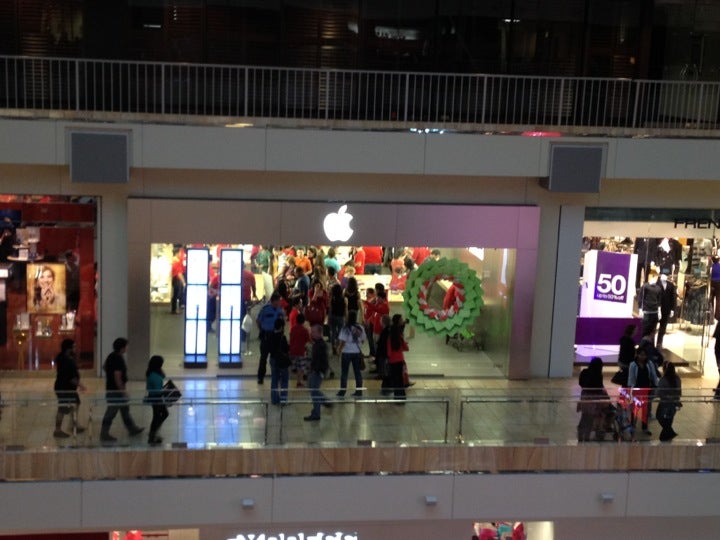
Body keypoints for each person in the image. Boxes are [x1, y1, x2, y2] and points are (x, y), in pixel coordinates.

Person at [100, 337, 144, 443]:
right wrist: (122, 391)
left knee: (125, 410)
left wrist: (109, 375)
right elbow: (117, 376)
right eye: (126, 346)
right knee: (111, 412)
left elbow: (105, 367)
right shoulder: (118, 358)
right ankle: (104, 433)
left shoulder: (111, 356)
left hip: (111, 388)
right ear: (122, 347)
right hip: (116, 391)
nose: (127, 348)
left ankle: (132, 428)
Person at [53, 338, 86, 438]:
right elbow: (71, 377)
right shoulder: (68, 361)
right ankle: (58, 430)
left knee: (75, 403)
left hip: (63, 387)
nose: (75, 348)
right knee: (63, 408)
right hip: (65, 388)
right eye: (74, 347)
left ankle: (73, 424)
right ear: (69, 348)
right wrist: (81, 386)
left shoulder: (61, 357)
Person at [576, 357, 611, 442]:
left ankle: (581, 436)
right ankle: (586, 437)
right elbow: (599, 387)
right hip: (594, 398)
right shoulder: (598, 375)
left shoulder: (584, 372)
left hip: (585, 397)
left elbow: (581, 383)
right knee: (590, 418)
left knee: (584, 416)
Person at [627, 348, 659, 435]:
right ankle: (632, 426)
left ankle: (644, 427)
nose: (643, 357)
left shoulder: (649, 363)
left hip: (646, 389)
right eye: (641, 354)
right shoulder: (633, 364)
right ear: (637, 355)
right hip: (637, 389)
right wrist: (630, 389)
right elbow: (631, 377)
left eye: (644, 355)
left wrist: (656, 385)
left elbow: (653, 374)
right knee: (635, 409)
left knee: (645, 410)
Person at [255, 292, 285, 385]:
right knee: (263, 358)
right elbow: (258, 320)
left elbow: (282, 322)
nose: (279, 303)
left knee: (276, 357)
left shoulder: (280, 310)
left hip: (276, 337)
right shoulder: (265, 309)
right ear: (273, 301)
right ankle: (260, 377)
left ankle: (276, 376)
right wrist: (262, 330)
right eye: (278, 301)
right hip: (267, 336)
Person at [304, 324, 331, 421]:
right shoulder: (317, 344)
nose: (311, 334)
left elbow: (323, 360)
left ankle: (316, 413)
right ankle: (324, 401)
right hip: (315, 370)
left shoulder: (321, 345)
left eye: (313, 332)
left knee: (314, 391)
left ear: (319, 333)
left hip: (317, 371)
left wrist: (318, 371)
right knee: (312, 388)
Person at [336, 309, 365, 398]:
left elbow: (342, 342)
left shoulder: (345, 328)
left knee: (344, 372)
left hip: (346, 352)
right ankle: (359, 391)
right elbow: (363, 340)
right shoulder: (360, 328)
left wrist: (338, 350)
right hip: (356, 352)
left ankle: (342, 391)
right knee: (357, 373)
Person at [145, 355, 169, 445]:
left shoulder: (153, 373)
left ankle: (154, 432)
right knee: (157, 416)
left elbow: (163, 376)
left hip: (156, 397)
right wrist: (165, 391)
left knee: (161, 415)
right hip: (156, 398)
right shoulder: (154, 376)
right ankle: (152, 434)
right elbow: (156, 391)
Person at [656, 361, 682, 442]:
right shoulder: (677, 379)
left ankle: (668, 434)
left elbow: (659, 393)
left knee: (659, 417)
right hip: (673, 403)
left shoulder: (663, 380)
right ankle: (668, 435)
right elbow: (679, 392)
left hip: (664, 403)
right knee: (669, 420)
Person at [268, 318, 290, 405]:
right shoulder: (282, 337)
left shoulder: (270, 335)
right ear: (281, 327)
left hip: (273, 359)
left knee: (274, 379)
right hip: (282, 361)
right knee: (284, 380)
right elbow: (286, 349)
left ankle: (274, 399)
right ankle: (283, 399)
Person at [387, 314, 410, 400]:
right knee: (400, 378)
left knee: (395, 379)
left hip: (392, 361)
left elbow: (389, 352)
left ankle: (396, 396)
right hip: (400, 359)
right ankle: (402, 396)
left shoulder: (390, 339)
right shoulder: (400, 338)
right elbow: (406, 348)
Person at [638, 270, 662, 344]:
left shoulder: (658, 288)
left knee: (653, 331)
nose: (656, 279)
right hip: (646, 311)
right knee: (645, 330)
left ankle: (651, 346)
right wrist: (640, 309)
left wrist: (659, 311)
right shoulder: (645, 286)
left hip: (654, 312)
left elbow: (659, 300)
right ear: (652, 276)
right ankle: (642, 346)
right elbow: (641, 298)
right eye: (656, 277)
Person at [289, 312, 311, 387]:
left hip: (292, 350)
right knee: (301, 367)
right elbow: (309, 340)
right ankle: (299, 382)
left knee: (295, 365)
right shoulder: (304, 330)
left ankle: (297, 378)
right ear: (303, 321)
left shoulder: (293, 329)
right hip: (301, 351)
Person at [656, 274, 677, 349]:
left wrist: (672, 309)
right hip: (656, 308)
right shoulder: (656, 284)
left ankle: (659, 343)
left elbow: (673, 298)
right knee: (653, 327)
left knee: (663, 327)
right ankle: (650, 343)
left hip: (666, 309)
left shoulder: (670, 285)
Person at [170, 247, 186, 314]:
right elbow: (179, 274)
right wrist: (183, 282)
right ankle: (174, 310)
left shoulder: (174, 260)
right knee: (176, 295)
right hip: (176, 279)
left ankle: (174, 309)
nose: (180, 254)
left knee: (175, 295)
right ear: (176, 253)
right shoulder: (176, 262)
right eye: (179, 253)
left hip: (175, 279)